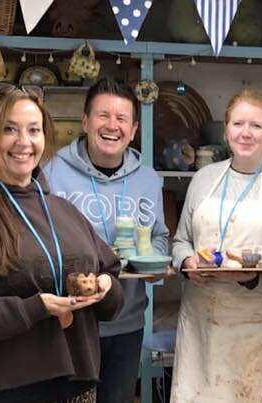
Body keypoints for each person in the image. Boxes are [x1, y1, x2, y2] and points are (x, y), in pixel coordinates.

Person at [0, 83, 124, 403]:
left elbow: (110, 277)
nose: (24, 142)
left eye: (34, 130)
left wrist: (105, 287)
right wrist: (32, 308)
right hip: (1, 390)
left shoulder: (64, 210)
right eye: (9, 129)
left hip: (76, 387)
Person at [168, 89, 262, 402]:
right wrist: (187, 264)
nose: (246, 133)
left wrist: (254, 277)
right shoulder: (203, 179)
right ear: (226, 130)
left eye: (256, 125)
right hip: (202, 326)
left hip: (260, 331)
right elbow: (181, 242)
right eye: (238, 123)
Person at [43, 78, 168, 403]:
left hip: (127, 324)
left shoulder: (147, 179)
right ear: (85, 122)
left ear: (133, 129)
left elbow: (159, 237)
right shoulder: (53, 173)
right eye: (103, 115)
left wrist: (151, 265)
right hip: (71, 323)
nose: (112, 126)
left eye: (122, 118)